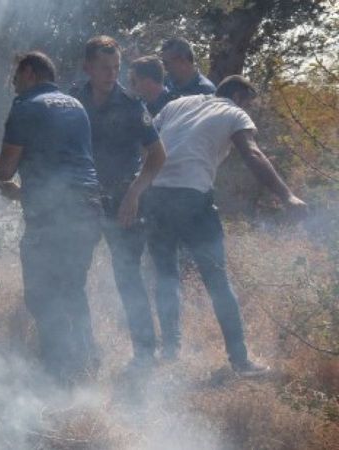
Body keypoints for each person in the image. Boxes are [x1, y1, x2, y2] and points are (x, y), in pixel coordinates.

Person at [145, 75, 308, 376]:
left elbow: (147, 139)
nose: (248, 108)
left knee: (166, 277)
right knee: (218, 281)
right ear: (236, 95)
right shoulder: (233, 111)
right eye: (247, 101)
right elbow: (252, 153)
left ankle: (170, 351)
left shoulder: (177, 104)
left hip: (154, 195)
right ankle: (241, 361)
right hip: (193, 198)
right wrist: (287, 196)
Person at [0, 51, 102, 384]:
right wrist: (21, 192)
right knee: (72, 287)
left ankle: (57, 372)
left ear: (29, 72)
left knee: (42, 292)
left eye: (16, 75)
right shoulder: (75, 105)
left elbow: (5, 169)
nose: (13, 83)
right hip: (88, 207)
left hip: (54, 215)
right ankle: (88, 364)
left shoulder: (26, 105)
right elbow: (67, 167)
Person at [70, 36, 167, 368]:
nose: (111, 74)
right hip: (81, 204)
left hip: (122, 203)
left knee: (128, 276)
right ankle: (84, 351)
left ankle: (144, 353)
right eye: (103, 68)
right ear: (88, 68)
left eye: (115, 68)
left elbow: (157, 156)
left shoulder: (130, 104)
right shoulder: (71, 102)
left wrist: (134, 193)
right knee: (74, 276)